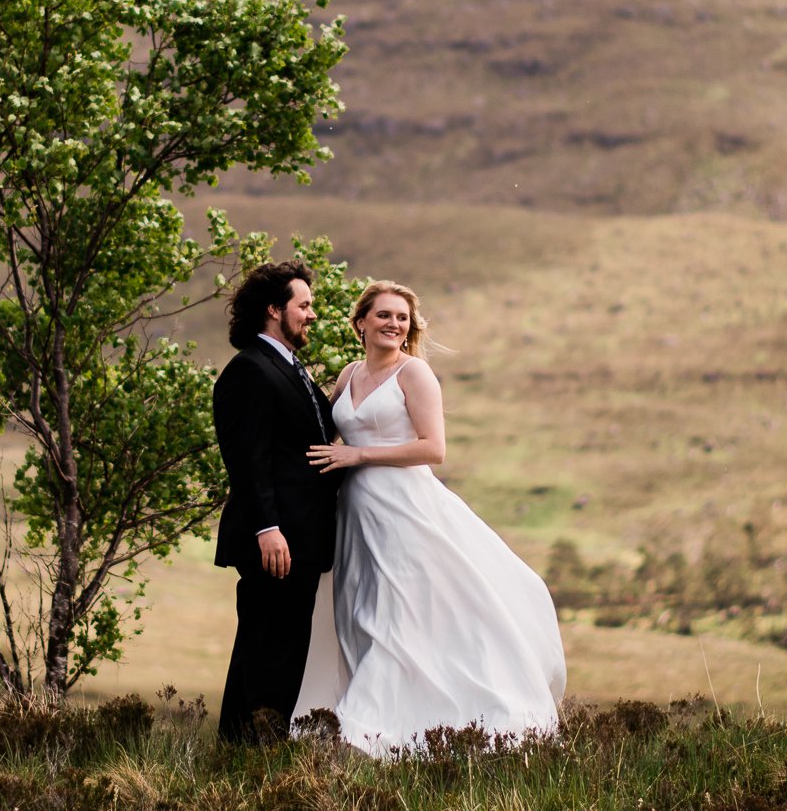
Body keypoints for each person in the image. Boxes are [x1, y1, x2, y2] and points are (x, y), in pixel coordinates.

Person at [293, 279, 565, 756]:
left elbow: (433, 448)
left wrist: (359, 456)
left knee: (395, 618)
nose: (394, 324)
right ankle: (385, 725)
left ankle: (368, 734)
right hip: (356, 515)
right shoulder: (349, 374)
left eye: (402, 318)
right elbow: (326, 430)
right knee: (359, 614)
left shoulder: (414, 374)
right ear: (361, 323)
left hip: (405, 510)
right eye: (383, 315)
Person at [210, 259, 344, 744]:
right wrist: (268, 528)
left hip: (300, 539)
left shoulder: (288, 367)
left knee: (276, 648)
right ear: (274, 310)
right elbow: (249, 460)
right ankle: (253, 752)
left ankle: (246, 751)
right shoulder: (249, 370)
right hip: (277, 540)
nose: (312, 315)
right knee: (268, 650)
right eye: (303, 305)